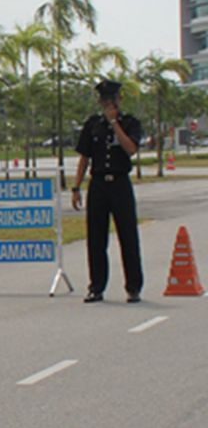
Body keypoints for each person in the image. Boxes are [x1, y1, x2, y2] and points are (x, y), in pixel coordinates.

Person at [72, 79, 144, 303]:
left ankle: (133, 287)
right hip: (99, 184)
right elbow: (85, 157)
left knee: (128, 236)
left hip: (120, 183)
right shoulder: (93, 125)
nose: (108, 105)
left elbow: (131, 149)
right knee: (96, 238)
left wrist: (115, 124)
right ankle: (96, 286)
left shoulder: (130, 122)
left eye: (111, 100)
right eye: (104, 101)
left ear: (119, 100)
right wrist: (76, 187)